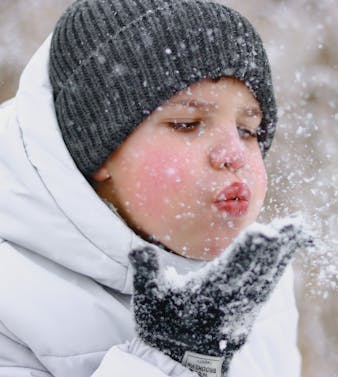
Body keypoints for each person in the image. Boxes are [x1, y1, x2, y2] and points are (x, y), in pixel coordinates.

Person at [0, 0, 310, 376]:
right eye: (187, 123)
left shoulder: (250, 284)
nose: (234, 154)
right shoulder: (11, 298)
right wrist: (175, 358)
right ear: (98, 147)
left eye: (248, 130)